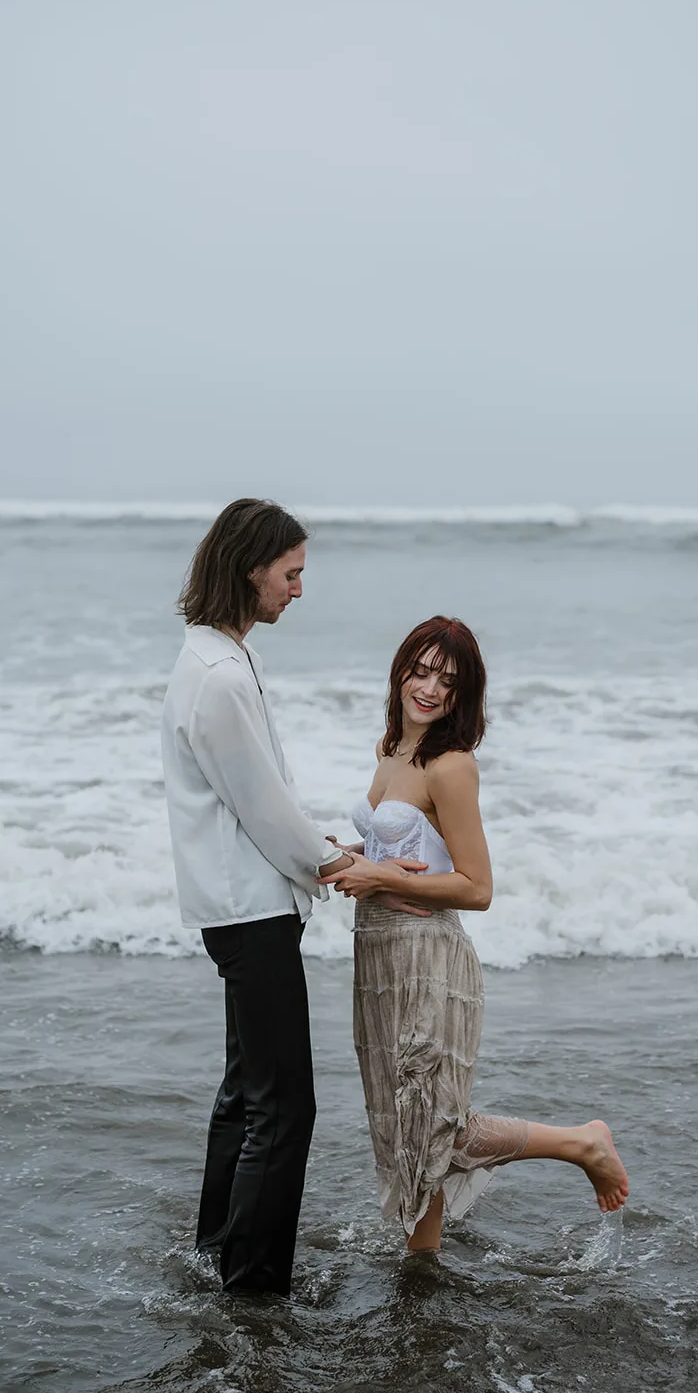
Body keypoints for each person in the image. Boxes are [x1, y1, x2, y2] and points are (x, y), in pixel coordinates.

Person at [161, 499, 426, 1296]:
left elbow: (260, 798)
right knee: (285, 1108)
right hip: (248, 910)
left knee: (248, 1092)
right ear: (252, 570)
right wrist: (336, 868)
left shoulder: (218, 659)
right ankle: (254, 1284)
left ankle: (217, 1251)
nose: (298, 589)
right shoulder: (215, 679)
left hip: (237, 901)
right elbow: (260, 808)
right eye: (291, 573)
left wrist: (326, 851)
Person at [317, 615, 630, 1253]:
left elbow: (477, 887)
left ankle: (580, 1143)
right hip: (379, 958)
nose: (430, 689)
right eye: (422, 669)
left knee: (437, 1126)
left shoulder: (451, 766)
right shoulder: (389, 749)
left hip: (430, 960)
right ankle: (422, 1261)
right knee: (403, 1125)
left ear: (465, 697)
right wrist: (346, 855)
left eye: (448, 683)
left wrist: (380, 878)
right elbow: (399, 848)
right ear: (401, 668)